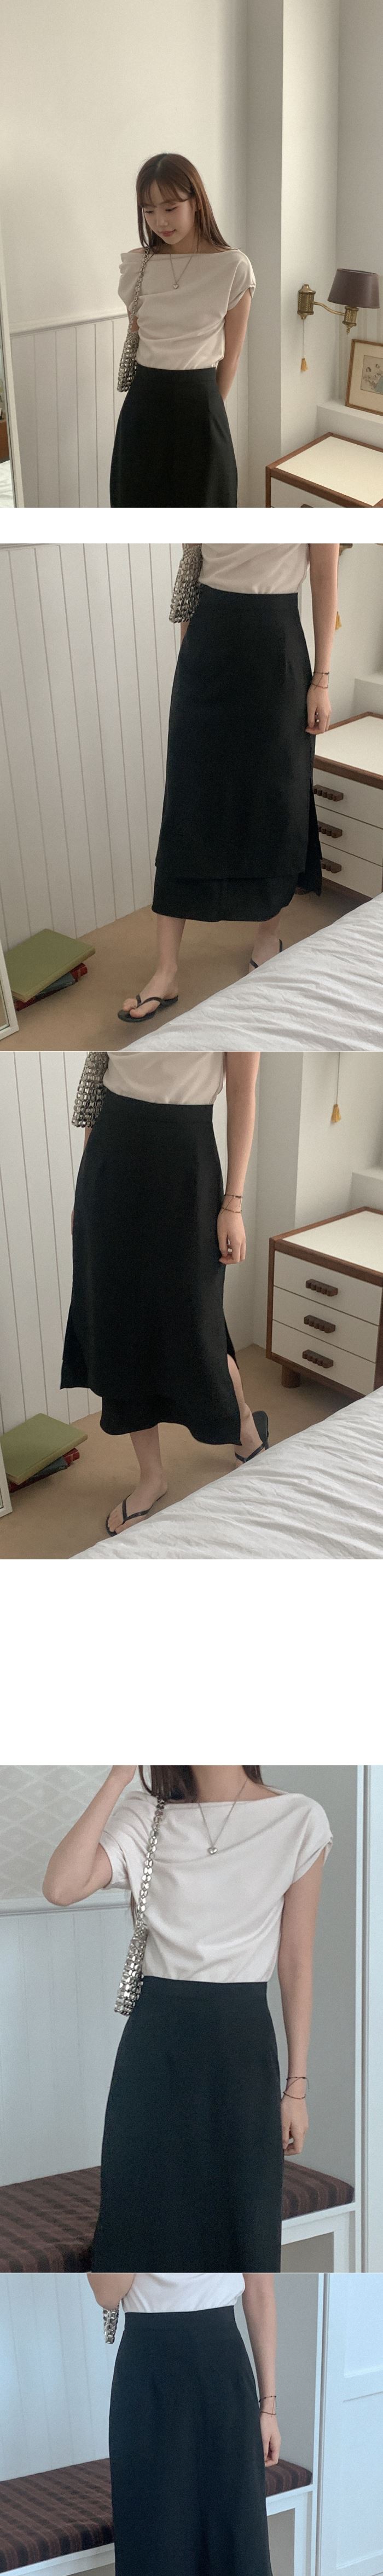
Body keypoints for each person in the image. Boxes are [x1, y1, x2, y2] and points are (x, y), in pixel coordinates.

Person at [43, 1763, 332, 2269]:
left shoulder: (299, 1819)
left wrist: (297, 2088)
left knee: (242, 2228)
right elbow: (61, 1888)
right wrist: (118, 1777)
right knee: (140, 2222)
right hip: (154, 2053)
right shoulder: (145, 1814)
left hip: (241, 2054)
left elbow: (296, 1963)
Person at [117, 537, 339, 1022]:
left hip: (276, 647)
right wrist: (189, 664)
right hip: (207, 647)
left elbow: (325, 579)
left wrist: (321, 680)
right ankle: (166, 971)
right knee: (188, 803)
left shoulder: (306, 508)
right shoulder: (210, 504)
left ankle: (266, 938)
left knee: (275, 796)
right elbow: (194, 568)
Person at [62, 1047, 266, 1537]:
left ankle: (243, 1426)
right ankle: (151, 1477)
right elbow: (102, 1084)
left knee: (197, 1322)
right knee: (123, 1322)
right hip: (110, 1161)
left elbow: (242, 1094)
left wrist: (233, 1204)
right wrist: (84, 1192)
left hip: (186, 1163)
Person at [87, 2267, 280, 2576]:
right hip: (145, 2370)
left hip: (219, 2361)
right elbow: (107, 2293)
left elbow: (259, 2291)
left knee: (228, 2527)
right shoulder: (129, 2210)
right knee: (157, 2529)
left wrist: (269, 2407)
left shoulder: (233, 2209)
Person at [109, 149, 254, 506]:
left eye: (170, 207)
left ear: (197, 202)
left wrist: (207, 412)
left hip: (201, 407)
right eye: (148, 210)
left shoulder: (233, 267)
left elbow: (231, 358)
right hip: (143, 406)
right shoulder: (137, 266)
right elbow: (141, 330)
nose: (159, 220)